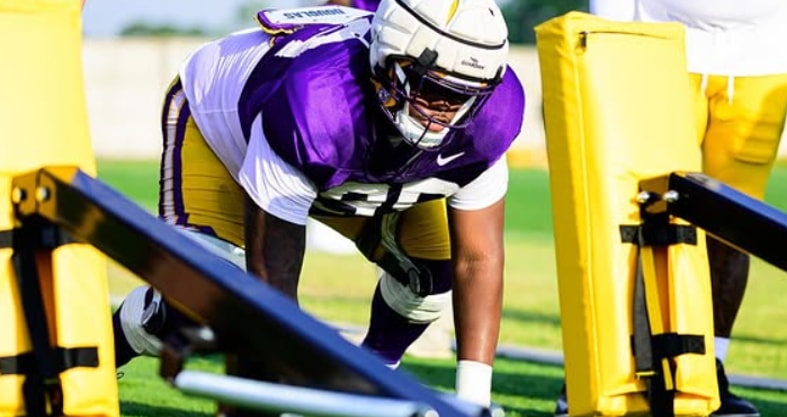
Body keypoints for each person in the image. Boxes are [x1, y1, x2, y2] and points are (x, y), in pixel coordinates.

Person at [110, 0, 525, 410]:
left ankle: (369, 378)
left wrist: (474, 400)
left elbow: (478, 259)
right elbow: (272, 288)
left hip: (352, 160)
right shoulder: (319, 100)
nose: (445, 112)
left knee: (433, 274)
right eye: (432, 89)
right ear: (388, 61)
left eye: (463, 95)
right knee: (210, 301)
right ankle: (117, 336)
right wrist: (290, 398)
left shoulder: (490, 117)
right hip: (224, 134)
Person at [554, 1, 787, 416]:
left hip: (765, 57)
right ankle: (606, 368)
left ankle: (707, 374)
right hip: (659, 45)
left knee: (736, 225)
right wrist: (608, 42)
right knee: (635, 211)